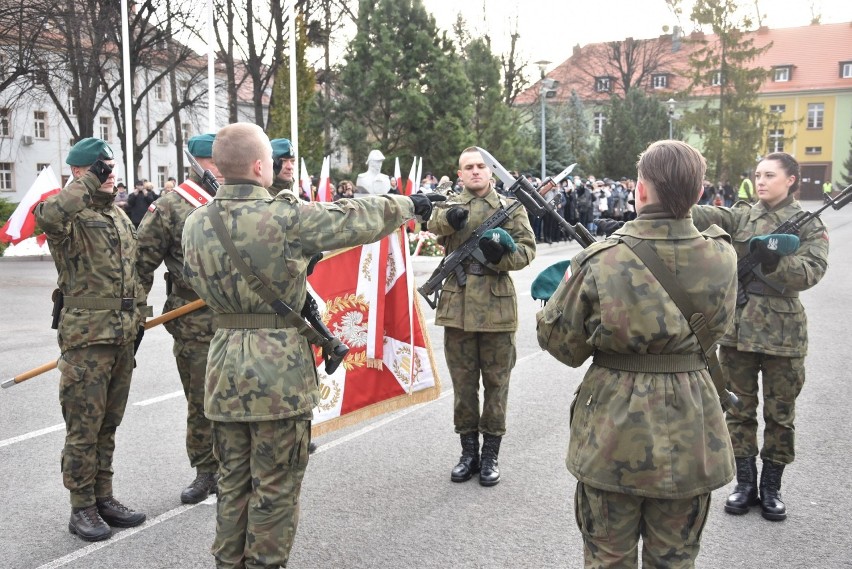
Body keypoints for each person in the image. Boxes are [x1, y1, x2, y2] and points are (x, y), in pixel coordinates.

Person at [180, 122, 444, 568]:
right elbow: (351, 217)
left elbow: (199, 282)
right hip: (278, 372)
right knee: (276, 486)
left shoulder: (195, 223)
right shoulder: (284, 217)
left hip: (223, 366)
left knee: (233, 484)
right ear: (260, 166)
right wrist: (408, 204)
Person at [536, 140, 738, 567]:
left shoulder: (601, 260)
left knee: (608, 557)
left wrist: (556, 300)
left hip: (613, 430)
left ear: (640, 191)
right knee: (676, 558)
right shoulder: (722, 256)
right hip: (692, 419)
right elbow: (716, 330)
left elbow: (563, 346)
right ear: (699, 194)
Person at [691, 152, 829, 522]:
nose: (762, 180)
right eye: (758, 174)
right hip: (737, 331)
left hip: (784, 334)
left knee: (780, 414)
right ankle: (744, 484)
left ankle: (771, 488)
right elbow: (704, 216)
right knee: (738, 410)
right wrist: (663, 202)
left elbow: (813, 270)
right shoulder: (741, 216)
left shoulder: (808, 225)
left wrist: (775, 261)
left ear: (792, 180)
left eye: (770, 175)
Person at [34, 137, 148, 541]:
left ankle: (103, 496)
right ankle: (80, 505)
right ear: (80, 173)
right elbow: (44, 217)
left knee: (108, 425)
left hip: (120, 337)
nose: (110, 175)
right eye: (101, 168)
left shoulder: (118, 217)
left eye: (111, 168)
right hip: (87, 340)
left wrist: (138, 321)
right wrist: (83, 183)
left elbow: (133, 278)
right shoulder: (68, 216)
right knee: (83, 427)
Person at [427, 147, 536, 487]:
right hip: (457, 308)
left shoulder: (510, 209)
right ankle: (467, 452)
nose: (475, 172)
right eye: (468, 167)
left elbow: (528, 249)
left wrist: (504, 254)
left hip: (496, 308)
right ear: (459, 174)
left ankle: (490, 454)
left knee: (496, 383)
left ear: (490, 172)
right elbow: (432, 223)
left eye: (480, 167)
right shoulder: (450, 204)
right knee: (463, 386)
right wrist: (450, 219)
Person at [135, 133, 221, 505]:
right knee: (202, 399)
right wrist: (135, 313)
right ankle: (206, 470)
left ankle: (240, 465)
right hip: (195, 322)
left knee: (245, 396)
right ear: (199, 163)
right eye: (217, 162)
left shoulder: (244, 198)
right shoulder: (170, 207)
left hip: (244, 317)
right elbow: (140, 264)